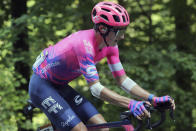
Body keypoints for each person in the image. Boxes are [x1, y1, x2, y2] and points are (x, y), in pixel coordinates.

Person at [28, 1, 175, 131]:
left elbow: (122, 80)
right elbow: (96, 89)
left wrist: (152, 99)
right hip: (41, 85)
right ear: (103, 29)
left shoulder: (111, 46)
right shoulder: (84, 45)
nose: (122, 37)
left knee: (103, 128)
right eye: (119, 32)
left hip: (60, 85)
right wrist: (131, 104)